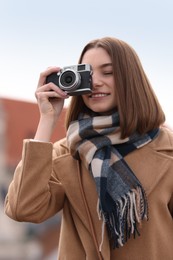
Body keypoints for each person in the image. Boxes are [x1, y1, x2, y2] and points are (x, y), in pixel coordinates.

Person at [4, 37, 173, 260]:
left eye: (108, 72)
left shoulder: (167, 150)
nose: (95, 82)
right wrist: (47, 119)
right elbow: (23, 208)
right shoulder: (66, 152)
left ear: (130, 79)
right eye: (88, 74)